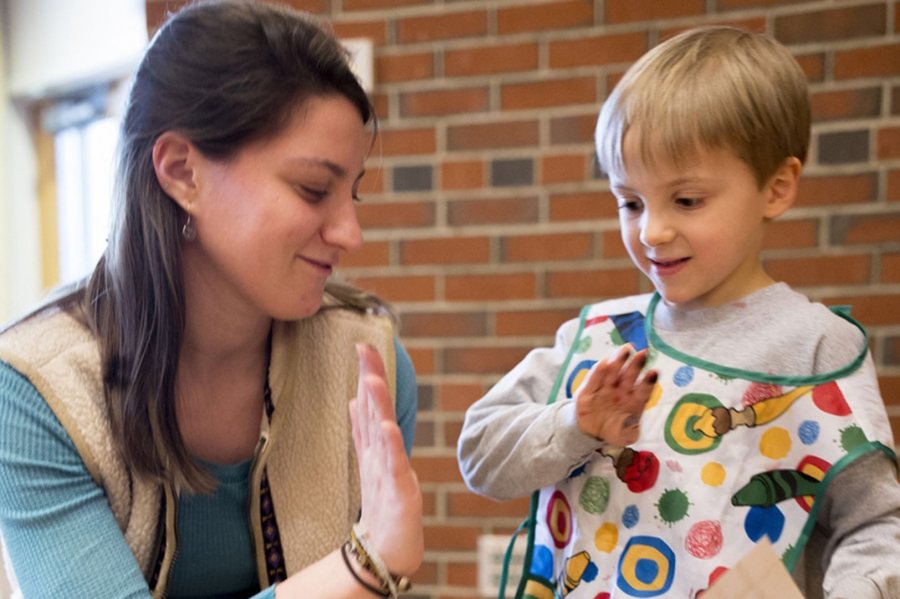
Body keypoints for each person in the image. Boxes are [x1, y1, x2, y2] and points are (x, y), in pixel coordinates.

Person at [457, 26, 900, 599]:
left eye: (687, 200)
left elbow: (875, 524)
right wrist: (575, 424)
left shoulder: (816, 348)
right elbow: (480, 455)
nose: (652, 231)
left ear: (777, 188)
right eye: (630, 202)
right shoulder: (598, 340)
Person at [0, 1, 423, 597]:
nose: (350, 232)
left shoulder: (369, 368)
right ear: (181, 172)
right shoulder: (37, 390)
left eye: (352, 193)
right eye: (312, 189)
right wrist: (363, 567)